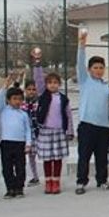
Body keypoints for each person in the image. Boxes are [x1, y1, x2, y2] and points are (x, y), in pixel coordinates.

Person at [75, 30, 109, 195]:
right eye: (95, 67)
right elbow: (79, 62)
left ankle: (102, 180)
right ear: (89, 70)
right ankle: (81, 182)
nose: (98, 70)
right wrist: (82, 45)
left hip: (103, 126)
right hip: (87, 125)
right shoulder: (84, 81)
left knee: (101, 156)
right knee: (84, 155)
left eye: (101, 67)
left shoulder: (106, 86)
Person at [34, 66, 74, 195]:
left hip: (59, 132)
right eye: (50, 83)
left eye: (55, 82)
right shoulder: (43, 94)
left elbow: (68, 115)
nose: (52, 85)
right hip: (45, 131)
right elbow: (38, 79)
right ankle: (48, 182)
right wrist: (37, 64)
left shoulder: (63, 99)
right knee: (47, 158)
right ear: (46, 85)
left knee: (57, 158)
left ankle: (56, 181)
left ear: (59, 84)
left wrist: (70, 131)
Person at [0, 84, 32, 198]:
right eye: (14, 99)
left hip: (19, 144)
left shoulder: (23, 114)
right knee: (7, 168)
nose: (17, 102)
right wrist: (5, 87)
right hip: (6, 143)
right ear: (8, 100)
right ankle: (10, 188)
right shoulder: (3, 110)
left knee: (20, 167)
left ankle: (19, 188)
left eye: (20, 99)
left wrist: (28, 144)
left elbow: (28, 130)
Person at [20, 72, 40, 187]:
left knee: (44, 154)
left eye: (33, 89)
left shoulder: (39, 102)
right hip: (27, 134)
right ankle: (35, 176)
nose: (31, 91)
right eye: (29, 89)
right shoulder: (22, 104)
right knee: (31, 156)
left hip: (39, 133)